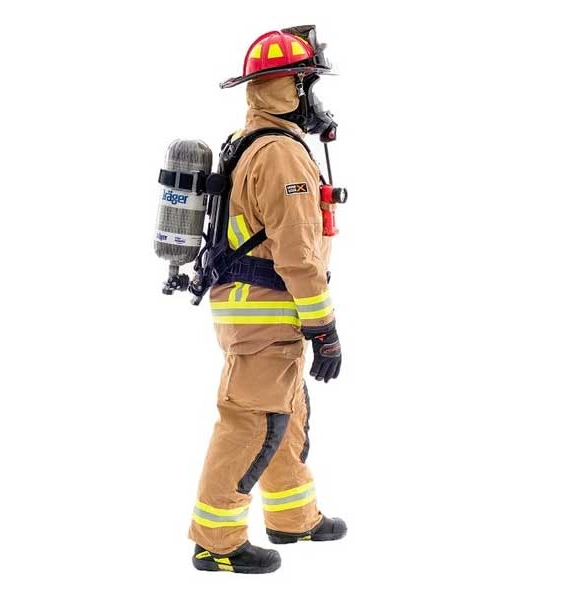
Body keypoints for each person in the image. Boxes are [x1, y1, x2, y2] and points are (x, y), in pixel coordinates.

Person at [189, 26, 346, 574]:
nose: (314, 98)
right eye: (308, 84)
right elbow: (298, 253)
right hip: (268, 312)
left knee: (288, 413)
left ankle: (293, 518)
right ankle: (217, 542)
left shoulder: (255, 140)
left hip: (263, 311)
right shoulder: (280, 153)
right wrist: (324, 327)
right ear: (292, 88)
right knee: (252, 423)